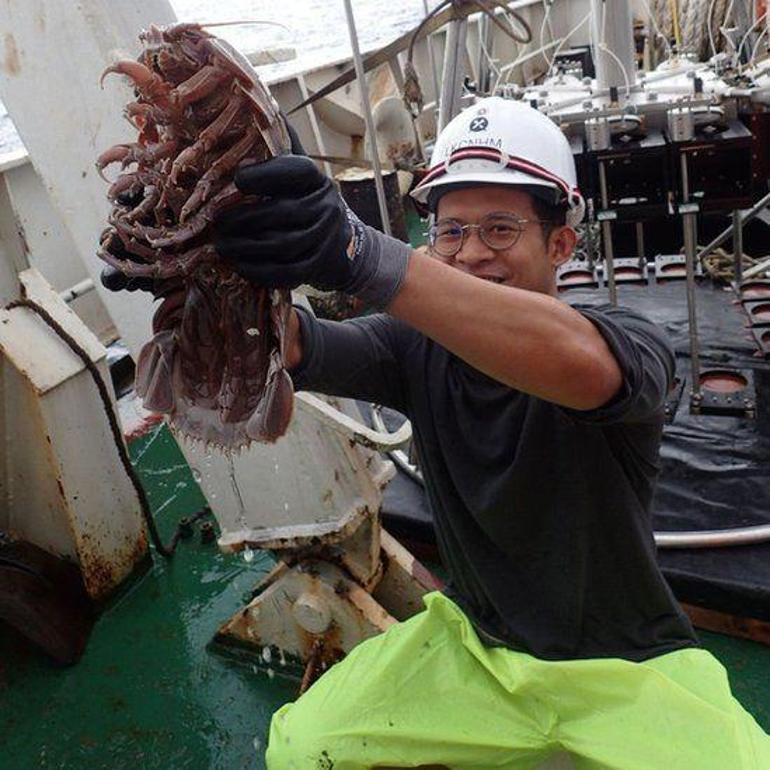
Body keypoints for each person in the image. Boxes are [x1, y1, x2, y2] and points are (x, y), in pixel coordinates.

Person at [104, 97, 770, 769]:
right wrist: (202, 267)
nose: (471, 253)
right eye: (450, 233)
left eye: (501, 230)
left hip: (628, 667)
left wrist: (362, 254)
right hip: (479, 650)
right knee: (304, 748)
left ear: (561, 244)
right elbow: (294, 346)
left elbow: (586, 369)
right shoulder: (411, 347)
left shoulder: (630, 343)